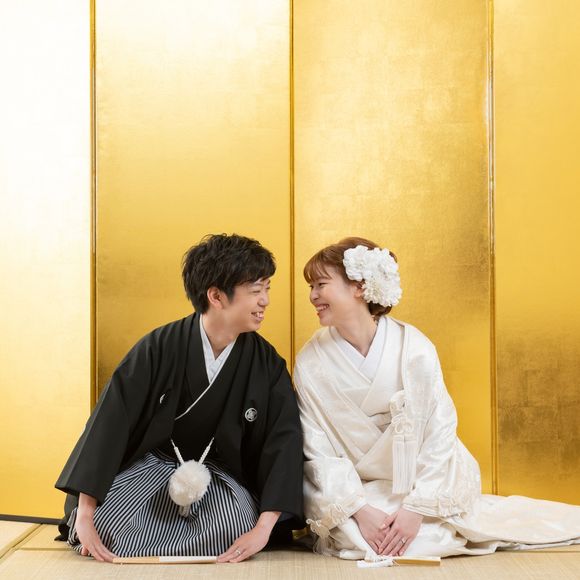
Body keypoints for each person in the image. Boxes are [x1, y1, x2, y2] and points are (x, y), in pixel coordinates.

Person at [293, 236, 580, 562]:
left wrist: (417, 508)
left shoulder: (413, 348)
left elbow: (440, 431)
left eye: (321, 285)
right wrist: (359, 509)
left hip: (419, 481)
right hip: (360, 488)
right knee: (356, 536)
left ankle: (426, 520)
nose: (312, 295)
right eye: (311, 287)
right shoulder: (311, 361)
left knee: (417, 536)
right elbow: (316, 448)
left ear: (359, 286)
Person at [56, 234, 303, 563]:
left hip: (219, 480)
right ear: (216, 295)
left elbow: (283, 443)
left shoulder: (265, 363)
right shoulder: (158, 347)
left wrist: (264, 528)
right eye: (256, 291)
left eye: (267, 289)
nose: (266, 301)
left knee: (237, 526)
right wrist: (86, 514)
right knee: (107, 524)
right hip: (149, 472)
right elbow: (110, 424)